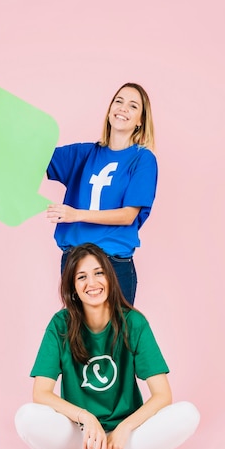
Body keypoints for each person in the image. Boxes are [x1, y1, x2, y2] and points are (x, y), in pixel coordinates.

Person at [14, 243, 200, 449]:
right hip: (82, 434)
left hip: (128, 432)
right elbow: (41, 393)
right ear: (73, 288)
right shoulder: (60, 324)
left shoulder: (134, 322)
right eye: (82, 277)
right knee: (26, 418)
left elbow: (162, 395)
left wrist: (124, 428)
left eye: (99, 273)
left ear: (110, 279)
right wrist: (86, 417)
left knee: (188, 414)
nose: (92, 282)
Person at [46, 83, 157, 305]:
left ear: (140, 121)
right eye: (118, 101)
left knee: (116, 338)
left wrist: (76, 215)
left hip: (113, 263)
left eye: (133, 106)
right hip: (75, 263)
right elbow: (30, 155)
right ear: (109, 111)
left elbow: (128, 215)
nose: (123, 108)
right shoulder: (84, 153)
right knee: (78, 338)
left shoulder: (143, 160)